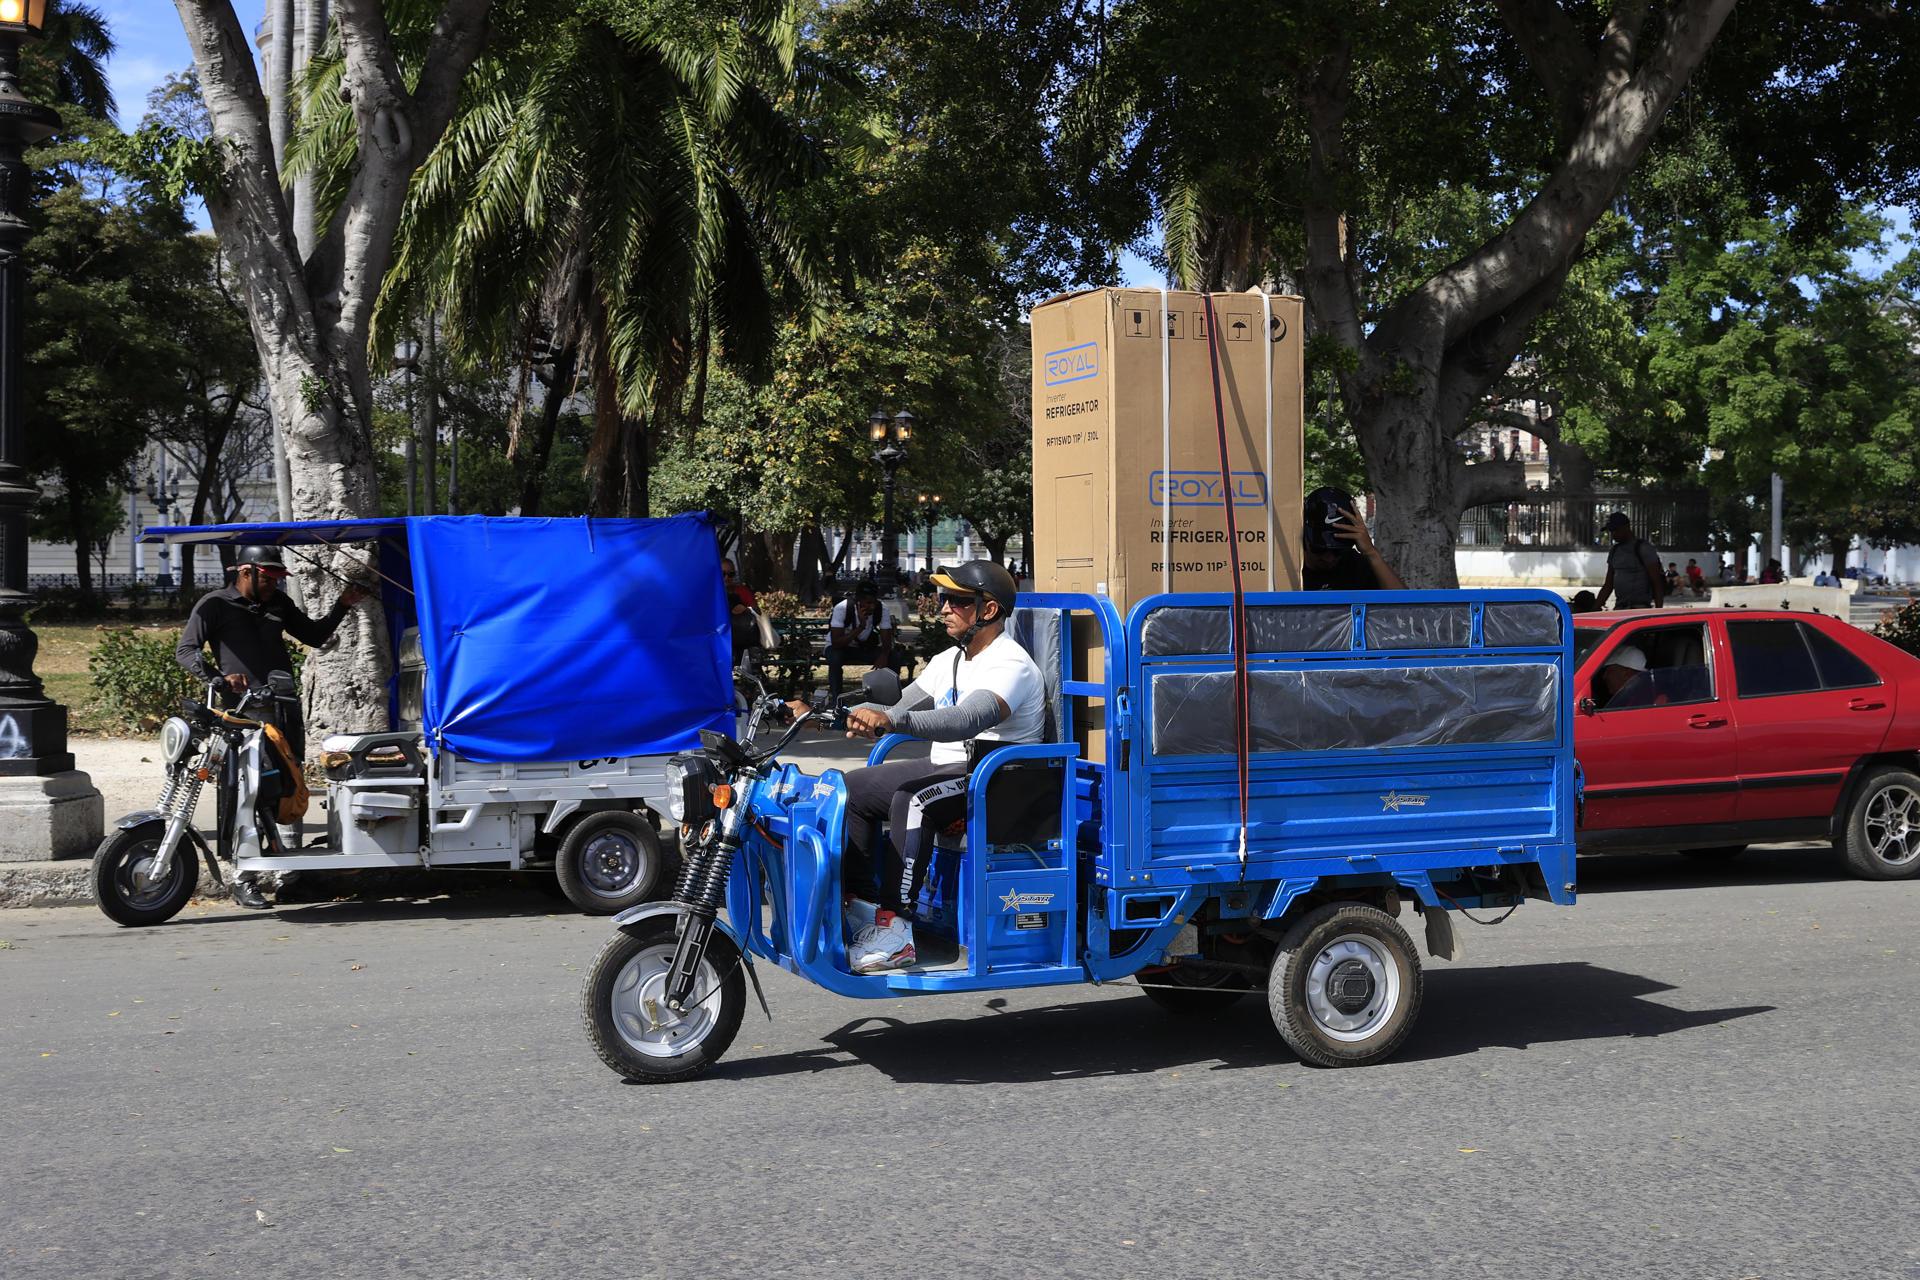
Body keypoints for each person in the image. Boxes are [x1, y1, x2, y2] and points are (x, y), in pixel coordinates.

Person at [793, 560, 1043, 974]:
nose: (943, 608)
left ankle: (896, 929)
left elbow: (966, 719)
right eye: (942, 599)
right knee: (851, 787)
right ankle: (863, 907)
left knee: (914, 799)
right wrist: (821, 714)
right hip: (954, 769)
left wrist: (892, 721)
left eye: (957, 601)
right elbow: (896, 707)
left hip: (995, 779)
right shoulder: (949, 660)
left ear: (990, 610)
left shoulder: (1010, 665)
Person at [174, 545, 367, 909]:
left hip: (283, 710)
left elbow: (312, 636)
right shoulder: (215, 604)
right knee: (246, 792)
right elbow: (186, 651)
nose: (274, 586)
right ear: (245, 572)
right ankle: (243, 879)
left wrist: (343, 604)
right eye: (268, 578)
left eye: (278, 579)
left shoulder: (277, 604)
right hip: (244, 718)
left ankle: (290, 877)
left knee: (288, 787)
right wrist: (217, 679)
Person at [1301, 486, 1406, 590]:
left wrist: (1371, 552)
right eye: (1320, 550)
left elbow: (1405, 604)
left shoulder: (1355, 566)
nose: (1329, 558)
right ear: (1305, 540)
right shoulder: (1292, 569)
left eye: (1338, 551)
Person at [824, 581, 900, 703]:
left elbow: (886, 635)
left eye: (874, 602)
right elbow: (836, 642)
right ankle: (836, 698)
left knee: (894, 657)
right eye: (868, 603)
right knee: (835, 657)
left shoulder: (882, 608)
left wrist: (884, 655)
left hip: (864, 648)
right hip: (841, 647)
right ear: (858, 601)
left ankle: (889, 699)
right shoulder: (842, 608)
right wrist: (861, 626)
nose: (872, 607)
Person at [1595, 512, 1663, 610]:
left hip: (1640, 608)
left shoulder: (1643, 548)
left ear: (1626, 527)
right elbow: (1608, 585)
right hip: (1620, 607)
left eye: (1616, 530)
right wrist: (1595, 608)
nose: (1613, 534)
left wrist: (1658, 611)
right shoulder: (1614, 551)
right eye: (1611, 531)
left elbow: (1657, 582)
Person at [722, 558, 758, 667]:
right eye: (723, 573)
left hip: (743, 638)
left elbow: (756, 610)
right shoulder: (710, 592)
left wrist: (745, 609)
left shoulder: (742, 591)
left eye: (731, 574)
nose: (727, 578)